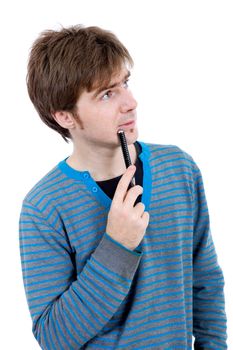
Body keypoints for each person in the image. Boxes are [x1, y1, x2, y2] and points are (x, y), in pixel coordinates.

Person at [19, 24, 227, 349]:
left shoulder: (179, 168)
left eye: (125, 84)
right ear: (65, 117)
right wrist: (117, 247)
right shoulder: (44, 208)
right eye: (107, 94)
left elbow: (206, 282)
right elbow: (53, 337)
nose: (130, 103)